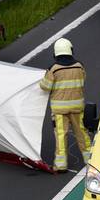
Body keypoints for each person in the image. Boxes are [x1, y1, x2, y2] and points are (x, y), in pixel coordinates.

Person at [39, 38, 90, 172]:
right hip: (77, 108)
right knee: (82, 134)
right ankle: (90, 159)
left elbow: (45, 87)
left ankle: (61, 165)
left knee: (61, 136)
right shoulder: (79, 66)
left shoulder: (53, 69)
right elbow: (83, 80)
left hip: (60, 110)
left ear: (56, 53)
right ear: (70, 50)